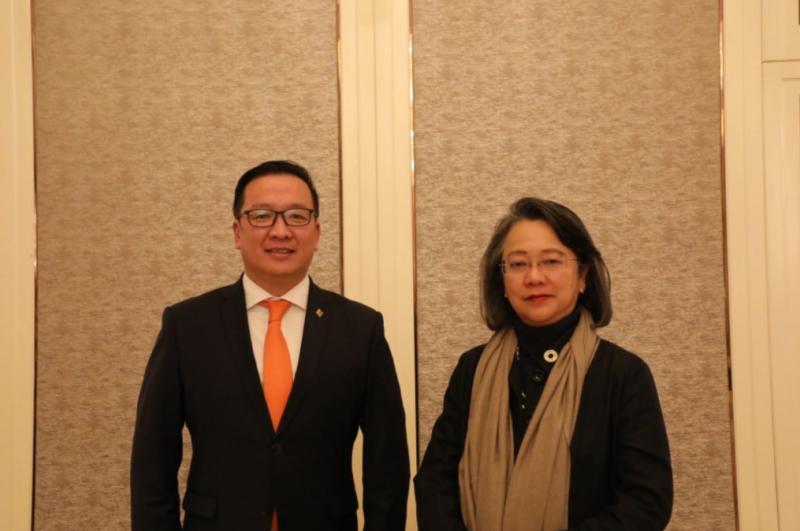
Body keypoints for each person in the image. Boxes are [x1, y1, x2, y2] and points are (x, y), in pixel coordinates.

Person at [131, 160, 409, 531]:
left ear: (316, 232)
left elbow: (387, 462)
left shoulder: (360, 329)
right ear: (237, 232)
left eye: (296, 216)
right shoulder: (187, 326)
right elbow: (153, 459)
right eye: (262, 216)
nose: (280, 231)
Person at [414, 197, 672, 531]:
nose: (534, 277)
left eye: (551, 261)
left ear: (583, 276)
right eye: (518, 264)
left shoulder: (623, 374)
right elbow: (435, 482)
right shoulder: (472, 369)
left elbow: (646, 502)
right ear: (501, 282)